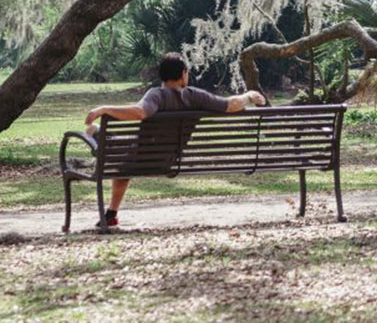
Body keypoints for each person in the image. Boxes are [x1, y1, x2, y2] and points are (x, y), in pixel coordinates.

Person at [83, 53, 266, 227]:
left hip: (136, 160)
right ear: (183, 73)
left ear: (162, 76)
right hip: (168, 161)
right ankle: (111, 214)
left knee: (95, 132)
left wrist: (104, 108)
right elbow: (231, 105)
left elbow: (140, 112)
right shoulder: (195, 96)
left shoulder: (156, 94)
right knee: (124, 152)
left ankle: (112, 212)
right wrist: (249, 96)